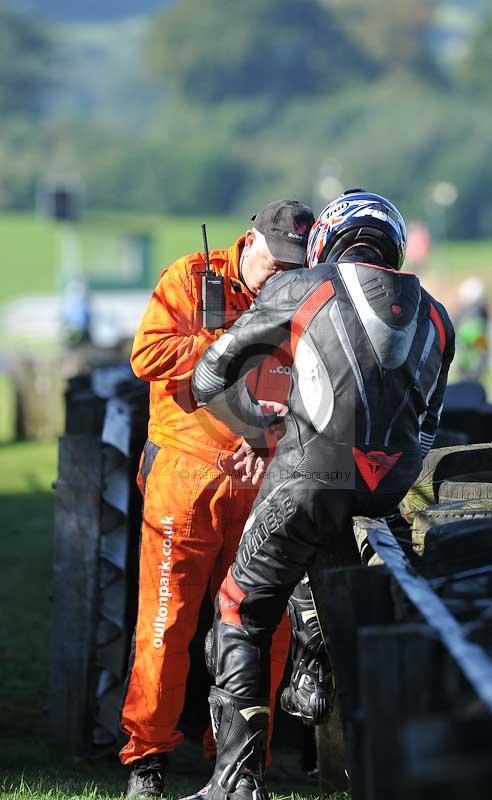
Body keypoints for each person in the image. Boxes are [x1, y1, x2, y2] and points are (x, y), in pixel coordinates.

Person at [188, 189, 455, 800]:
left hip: (306, 483)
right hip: (386, 494)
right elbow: (429, 425)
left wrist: (262, 427)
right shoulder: (439, 313)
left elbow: (208, 376)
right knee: (348, 594)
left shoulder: (301, 285)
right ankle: (315, 666)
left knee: (239, 611)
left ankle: (235, 783)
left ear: (326, 241)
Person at [121, 200, 316, 799]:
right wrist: (224, 344)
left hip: (260, 480)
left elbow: (316, 387)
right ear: (249, 240)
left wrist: (273, 441)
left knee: (261, 626)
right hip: (184, 480)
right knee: (166, 623)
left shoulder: (303, 294)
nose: (281, 275)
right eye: (276, 262)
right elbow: (146, 355)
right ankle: (146, 761)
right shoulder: (188, 278)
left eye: (294, 266)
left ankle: (237, 758)